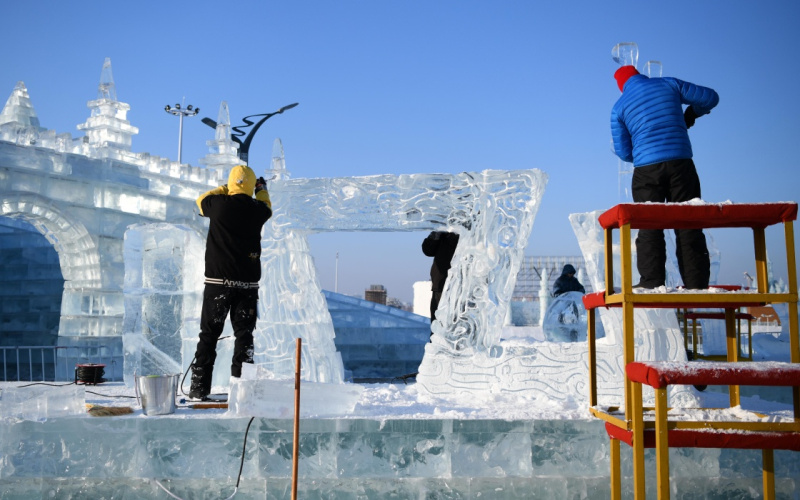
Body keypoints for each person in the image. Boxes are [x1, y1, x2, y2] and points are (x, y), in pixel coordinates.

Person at [611, 64, 719, 290]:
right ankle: (696, 284)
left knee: (649, 224)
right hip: (681, 164)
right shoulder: (669, 83)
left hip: (646, 171)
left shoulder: (619, 108)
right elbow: (710, 97)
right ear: (641, 75)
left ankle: (652, 283)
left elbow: (622, 151)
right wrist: (691, 114)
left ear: (621, 86)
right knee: (688, 221)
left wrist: (642, 153)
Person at [188, 165, 272, 401]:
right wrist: (261, 190)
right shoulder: (258, 209)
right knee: (244, 338)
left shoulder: (218, 205)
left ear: (232, 184)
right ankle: (242, 391)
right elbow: (267, 206)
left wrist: (227, 187)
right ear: (251, 186)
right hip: (247, 287)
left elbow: (200, 200)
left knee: (208, 336)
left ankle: (199, 388)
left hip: (218, 285)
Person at [421, 230, 459, 334]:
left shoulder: (467, 229)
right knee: (438, 325)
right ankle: (437, 347)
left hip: (461, 285)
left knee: (458, 325)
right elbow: (428, 250)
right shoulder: (444, 231)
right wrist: (435, 235)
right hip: (441, 284)